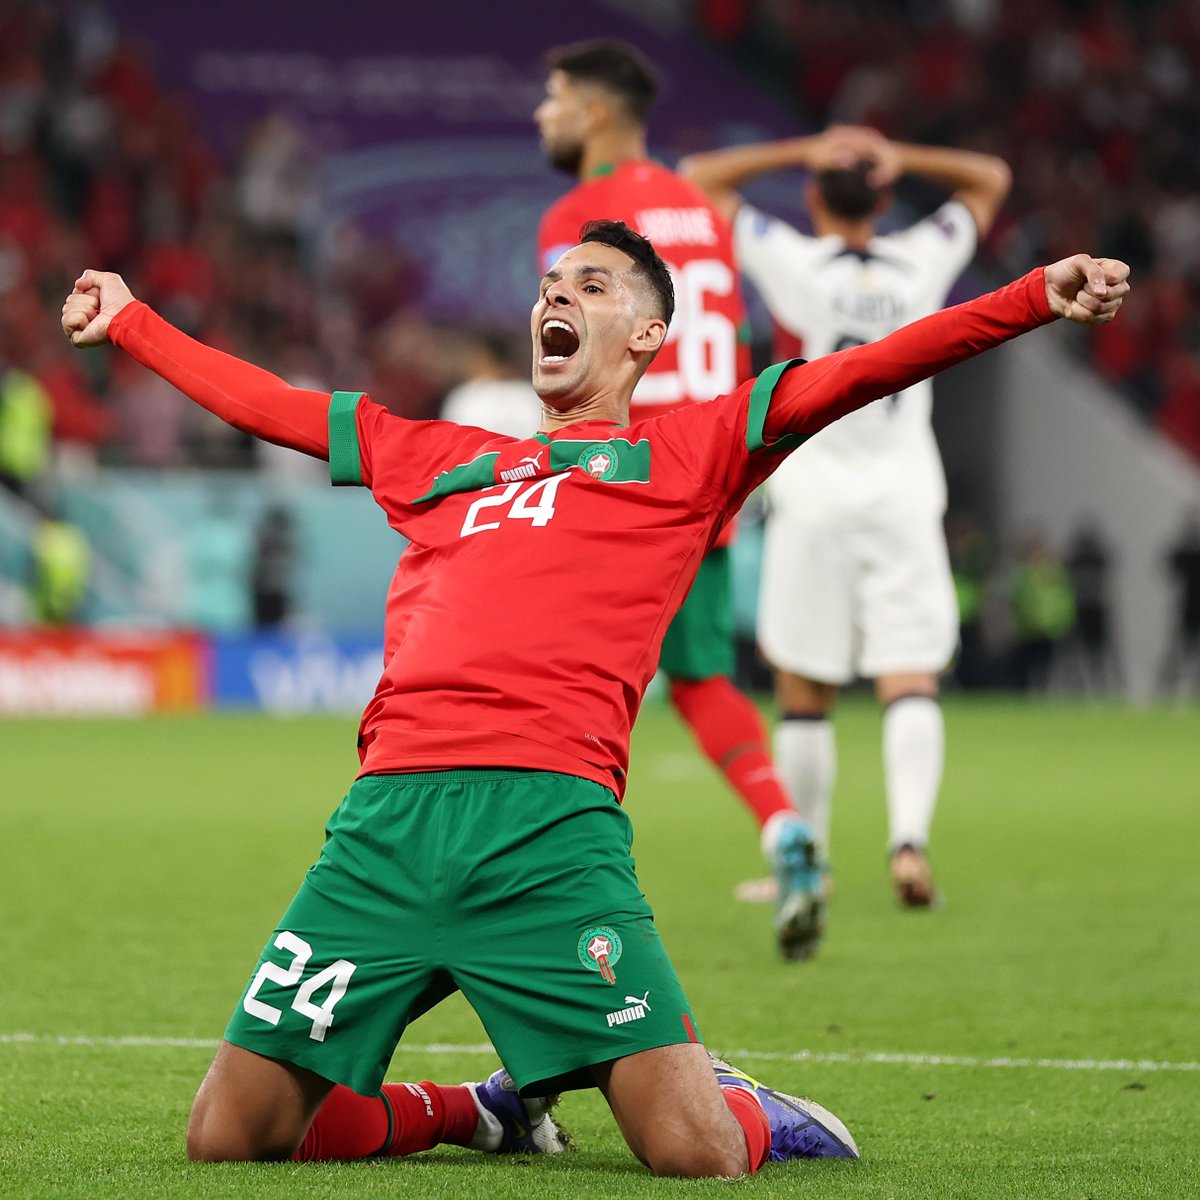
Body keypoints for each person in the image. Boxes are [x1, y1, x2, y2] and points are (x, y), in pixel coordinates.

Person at [62, 221, 1126, 1175]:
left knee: (691, 1151)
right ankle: (477, 1115)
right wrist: (133, 323)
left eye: (594, 284)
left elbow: (864, 369)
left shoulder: (691, 450)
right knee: (228, 1137)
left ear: (649, 338)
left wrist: (1031, 296)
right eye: (550, 284)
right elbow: (280, 407)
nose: (556, 298)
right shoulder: (445, 458)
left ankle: (746, 1105)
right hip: (384, 829)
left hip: (549, 830)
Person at [680, 124, 1011, 928]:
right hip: (905, 496)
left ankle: (813, 861)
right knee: (910, 679)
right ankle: (908, 842)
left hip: (815, 496)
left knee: (804, 692)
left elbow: (698, 175)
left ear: (812, 197)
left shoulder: (792, 258)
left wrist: (805, 148)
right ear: (887, 196)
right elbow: (991, 176)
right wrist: (907, 155)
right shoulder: (920, 259)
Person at [535, 40, 816, 958]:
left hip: (619, 474)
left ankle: (552, 880)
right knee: (699, 679)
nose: (543, 115)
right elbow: (738, 331)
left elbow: (572, 350)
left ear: (597, 112)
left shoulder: (580, 217)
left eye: (555, 97)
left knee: (558, 677)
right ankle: (784, 828)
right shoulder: (700, 208)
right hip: (707, 467)